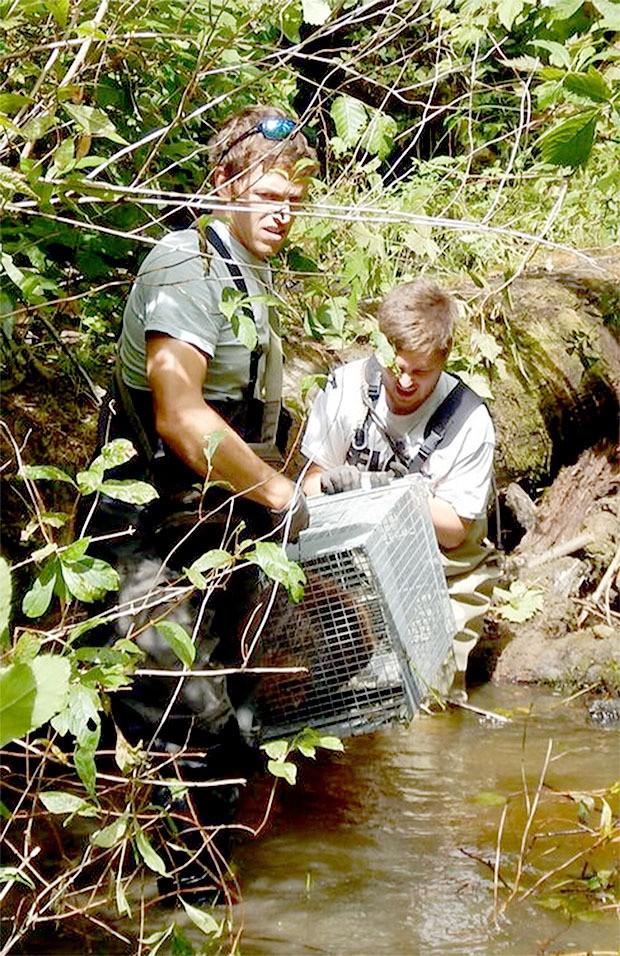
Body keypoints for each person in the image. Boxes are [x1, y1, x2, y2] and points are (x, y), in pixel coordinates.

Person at [83, 105, 319, 901]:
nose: (285, 212)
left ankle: (205, 897)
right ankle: (181, 909)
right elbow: (182, 418)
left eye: (297, 199)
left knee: (239, 721)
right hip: (147, 529)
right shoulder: (186, 267)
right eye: (271, 194)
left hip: (218, 529)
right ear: (223, 185)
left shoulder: (254, 277)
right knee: (188, 723)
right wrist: (278, 491)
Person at [300, 279, 500, 698]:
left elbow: (453, 529)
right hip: (350, 565)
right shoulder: (342, 390)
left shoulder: (471, 421)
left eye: (421, 372)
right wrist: (334, 486)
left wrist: (391, 490)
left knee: (428, 699)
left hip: (444, 572)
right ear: (380, 348)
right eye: (397, 367)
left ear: (443, 360)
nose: (405, 382)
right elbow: (307, 488)